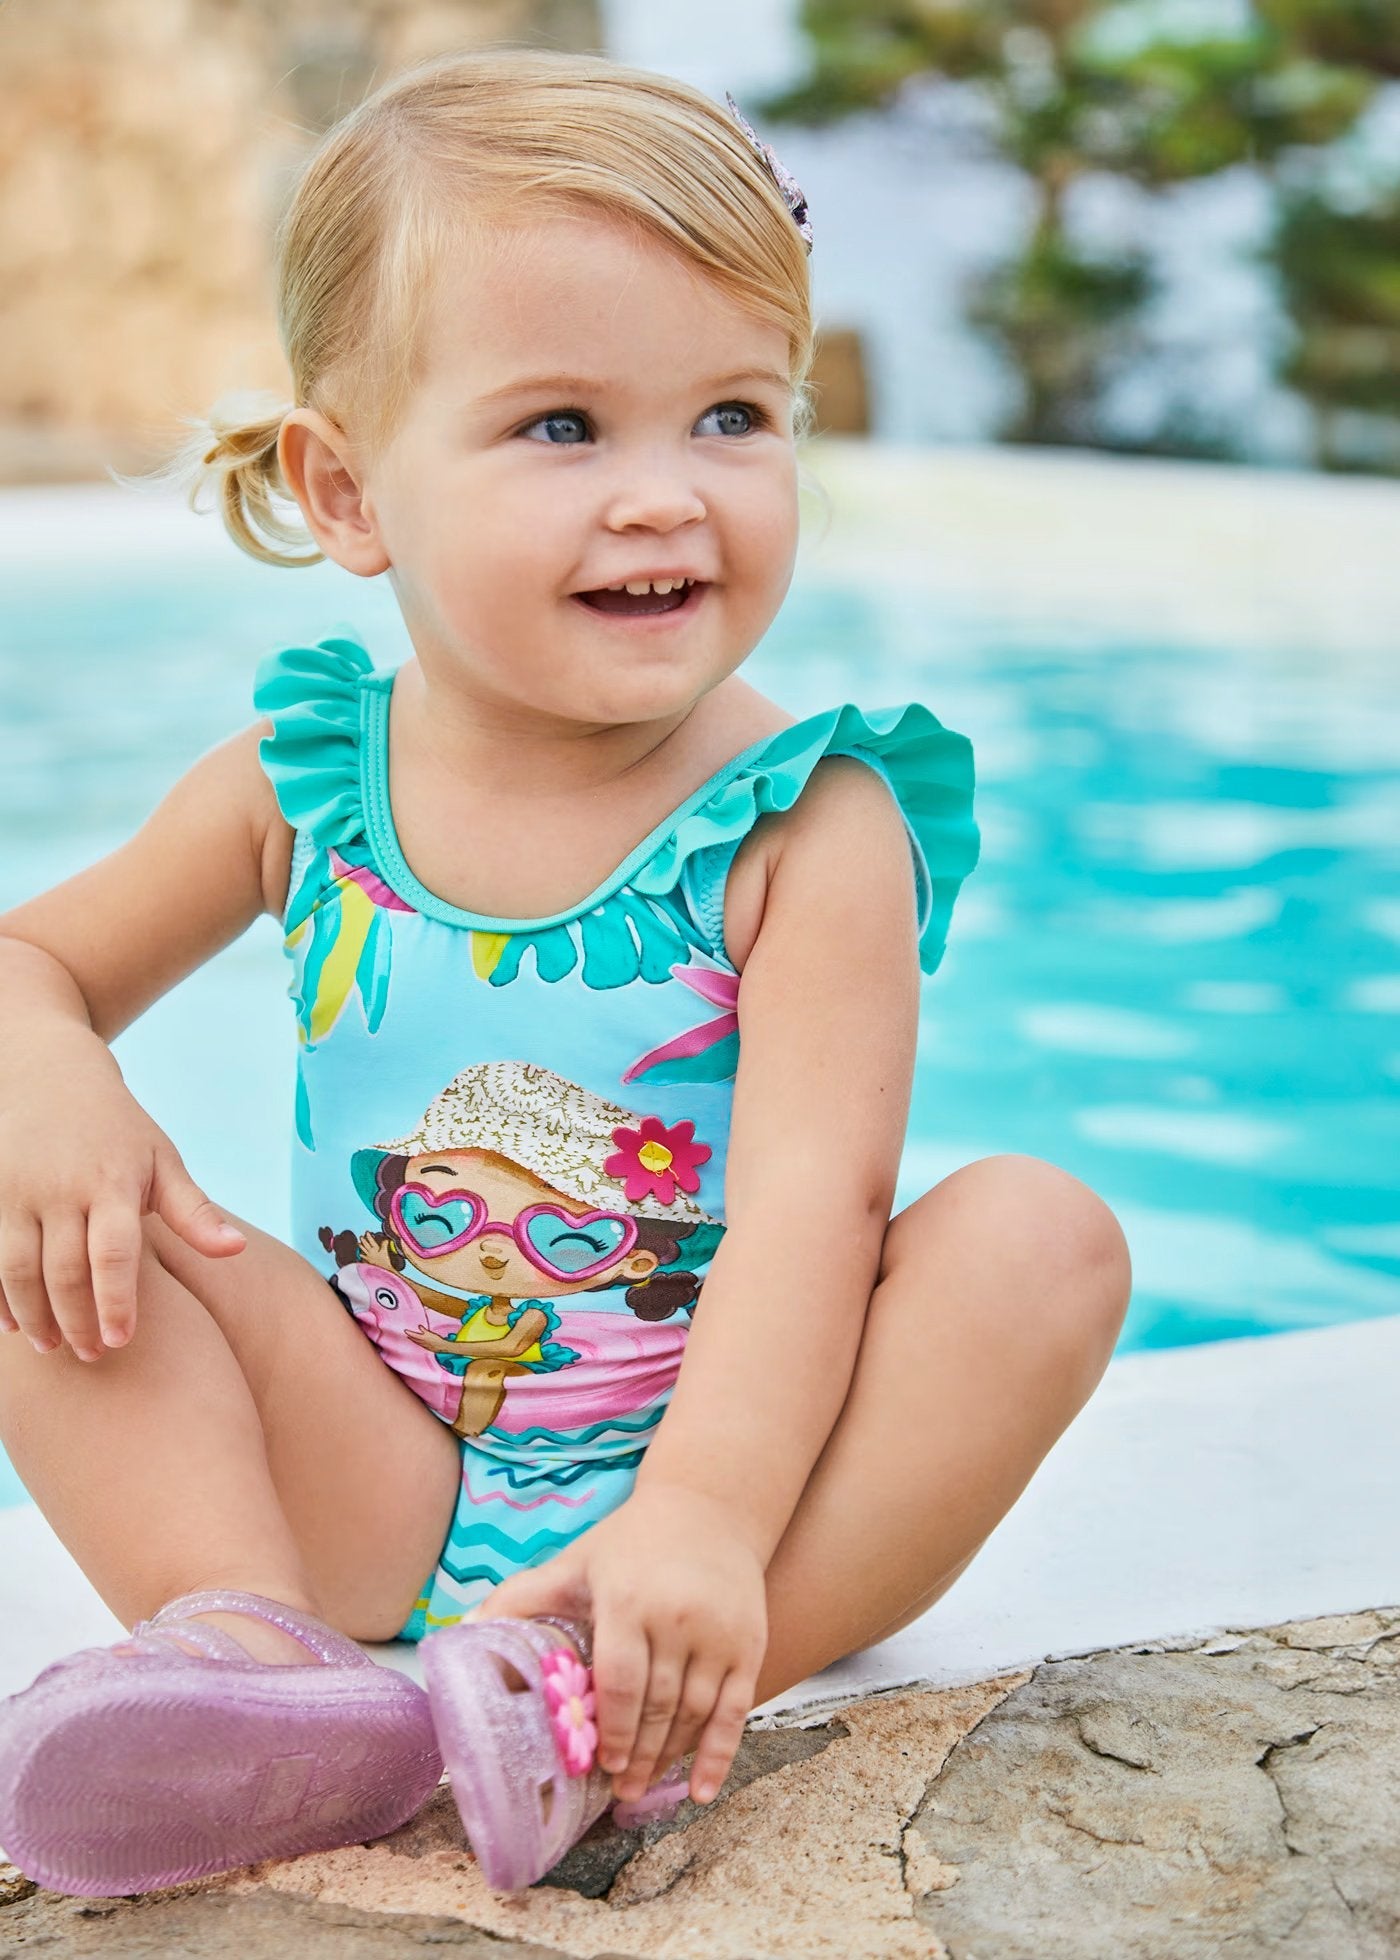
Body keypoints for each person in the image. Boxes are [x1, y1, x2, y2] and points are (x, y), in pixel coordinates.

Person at [0, 47, 1132, 1898]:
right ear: (350, 492)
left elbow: (810, 1213)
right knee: (34, 1215)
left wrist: (696, 1517)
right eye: (561, 429)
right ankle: (257, 1662)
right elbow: (28, 961)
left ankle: (584, 1686)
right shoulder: (306, 784)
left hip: (734, 1504)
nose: (667, 498)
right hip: (367, 1471)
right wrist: (49, 1080)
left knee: (1042, 1240)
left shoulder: (804, 826)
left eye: (734, 417)